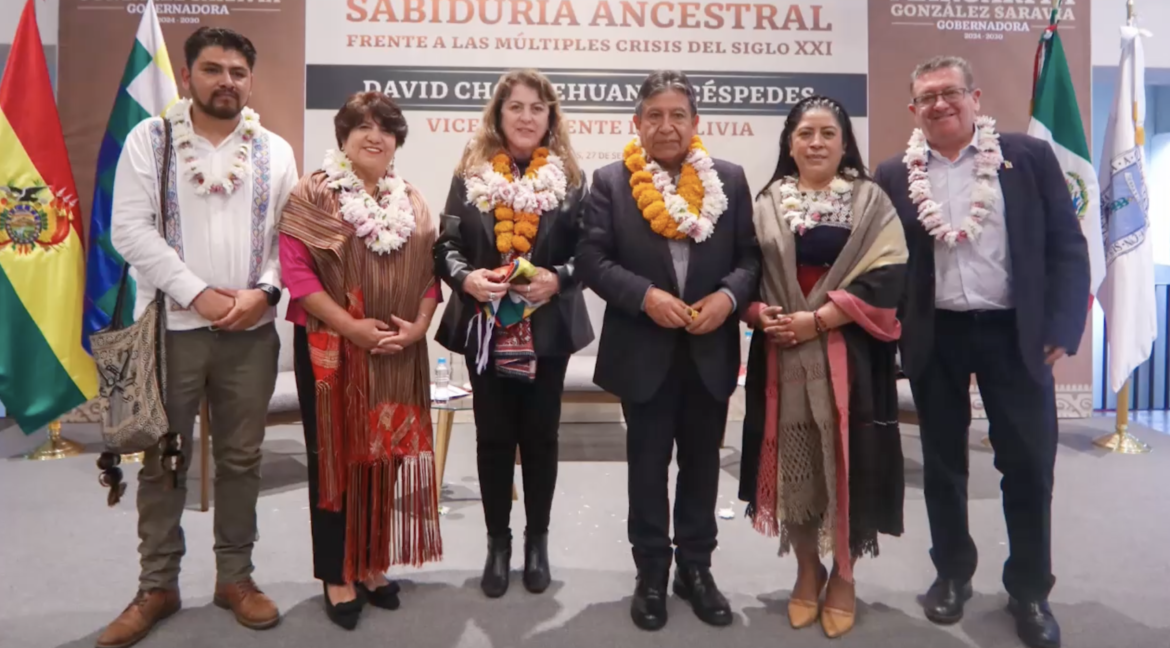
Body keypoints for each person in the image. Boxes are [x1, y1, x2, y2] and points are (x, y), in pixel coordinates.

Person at [873, 56, 1089, 648]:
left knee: (1028, 464)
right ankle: (952, 574)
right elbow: (886, 259)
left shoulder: (1029, 158)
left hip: (1014, 333)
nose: (939, 104)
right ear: (913, 109)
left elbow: (1067, 246)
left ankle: (1030, 589)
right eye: (927, 98)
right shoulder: (894, 173)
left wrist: (1063, 325)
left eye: (950, 92)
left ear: (976, 97)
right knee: (942, 464)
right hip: (936, 334)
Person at [101, 27, 300, 648]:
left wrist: (264, 292)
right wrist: (197, 293)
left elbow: (288, 240)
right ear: (187, 76)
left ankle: (235, 578)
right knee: (164, 459)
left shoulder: (274, 150)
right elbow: (129, 230)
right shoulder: (151, 140)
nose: (226, 82)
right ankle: (157, 585)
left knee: (242, 460)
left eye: (238, 72)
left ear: (250, 80)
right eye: (213, 69)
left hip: (251, 332)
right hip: (170, 331)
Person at [576, 70, 760, 632]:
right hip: (643, 350)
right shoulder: (611, 182)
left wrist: (729, 298)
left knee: (702, 465)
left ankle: (696, 569)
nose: (666, 125)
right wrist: (645, 296)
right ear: (636, 123)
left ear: (695, 122)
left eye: (678, 115)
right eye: (654, 115)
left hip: (710, 349)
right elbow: (592, 261)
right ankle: (652, 571)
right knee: (647, 465)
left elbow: (751, 258)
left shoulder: (729, 179)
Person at [736, 95, 908, 639]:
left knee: (848, 463)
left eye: (827, 133)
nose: (816, 143)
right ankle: (807, 569)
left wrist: (821, 319)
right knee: (797, 469)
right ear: (789, 144)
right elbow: (742, 270)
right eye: (805, 134)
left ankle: (845, 574)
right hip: (781, 355)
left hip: (850, 358)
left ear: (844, 142)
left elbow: (889, 273)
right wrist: (758, 313)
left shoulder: (870, 201)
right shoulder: (767, 202)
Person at [279, 91, 444, 630]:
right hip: (332, 351)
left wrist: (419, 326)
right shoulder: (313, 193)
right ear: (343, 137)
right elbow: (297, 274)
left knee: (385, 457)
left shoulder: (412, 200)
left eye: (386, 129)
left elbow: (431, 274)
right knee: (336, 459)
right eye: (363, 127)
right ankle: (336, 572)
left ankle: (371, 562)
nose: (375, 137)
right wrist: (350, 327)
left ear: (397, 141)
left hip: (396, 352)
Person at [433, 68, 594, 599]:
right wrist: (466, 278)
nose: (526, 117)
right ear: (498, 115)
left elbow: (590, 253)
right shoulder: (470, 174)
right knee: (494, 437)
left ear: (551, 117)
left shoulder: (572, 179)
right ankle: (498, 543)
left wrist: (558, 278)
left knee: (542, 438)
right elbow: (446, 245)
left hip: (547, 330)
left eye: (537, 108)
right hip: (485, 327)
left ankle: (536, 542)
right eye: (516, 107)